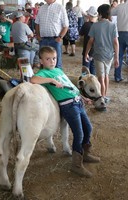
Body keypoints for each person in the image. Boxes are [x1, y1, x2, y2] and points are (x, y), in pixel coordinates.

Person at [30, 46, 100, 178]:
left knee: (88, 128)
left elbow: (71, 86)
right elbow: (33, 80)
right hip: (68, 106)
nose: (52, 61)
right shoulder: (43, 73)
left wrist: (83, 97)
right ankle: (76, 165)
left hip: (77, 101)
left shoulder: (58, 70)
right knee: (78, 133)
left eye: (54, 58)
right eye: (48, 59)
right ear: (41, 61)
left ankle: (85, 153)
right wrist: (51, 80)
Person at [85, 4, 119, 103]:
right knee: (106, 76)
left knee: (101, 77)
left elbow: (90, 41)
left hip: (99, 55)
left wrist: (86, 53)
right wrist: (116, 57)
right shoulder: (113, 25)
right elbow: (116, 42)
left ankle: (102, 98)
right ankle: (105, 96)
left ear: (100, 14)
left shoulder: (95, 25)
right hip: (109, 55)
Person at [35, 0, 69, 68]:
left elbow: (66, 25)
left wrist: (60, 37)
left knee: (56, 63)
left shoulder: (60, 8)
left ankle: (57, 78)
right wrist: (38, 36)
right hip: (43, 40)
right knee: (43, 62)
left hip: (55, 40)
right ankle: (44, 78)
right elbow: (37, 23)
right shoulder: (41, 8)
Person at [111, 0, 128, 82]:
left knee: (119, 56)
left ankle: (117, 77)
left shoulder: (120, 6)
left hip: (121, 33)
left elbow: (110, 12)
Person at [79, 6, 98, 75]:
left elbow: (80, 34)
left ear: (89, 16)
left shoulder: (86, 24)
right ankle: (92, 82)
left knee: (85, 69)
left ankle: (84, 83)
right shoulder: (98, 25)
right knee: (93, 68)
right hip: (96, 51)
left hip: (87, 50)